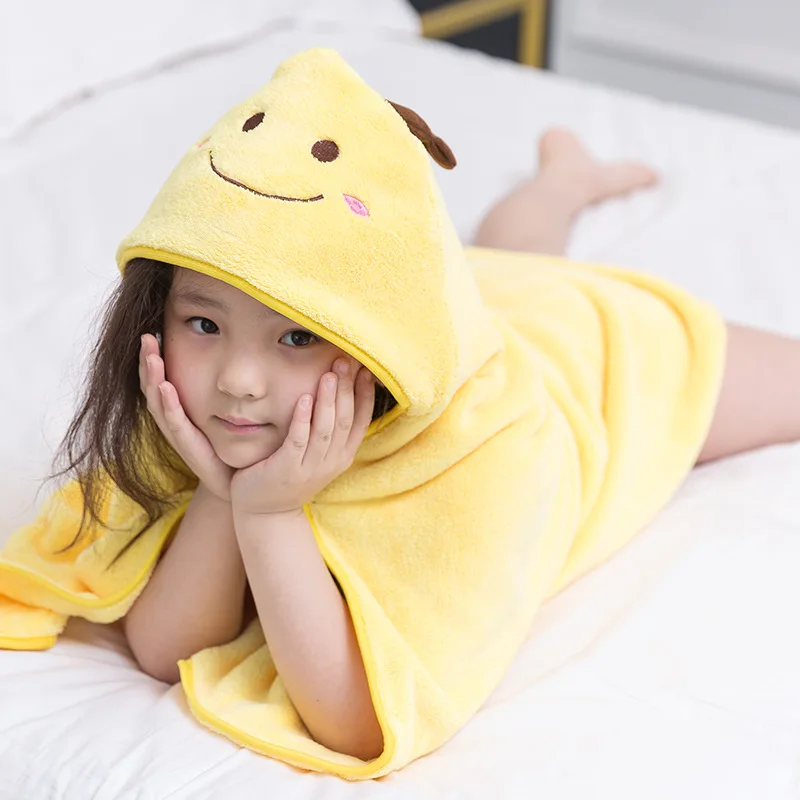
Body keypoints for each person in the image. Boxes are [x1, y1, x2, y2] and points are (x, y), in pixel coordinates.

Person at [1, 48, 798, 779]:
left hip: (584, 359)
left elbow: (355, 723)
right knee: (503, 262)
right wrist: (227, 496)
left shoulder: (484, 442)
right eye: (204, 324)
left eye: (297, 336)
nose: (238, 381)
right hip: (480, 297)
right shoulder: (187, 402)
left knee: (564, 291)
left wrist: (271, 514)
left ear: (360, 336)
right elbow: (164, 650)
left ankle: (562, 186)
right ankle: (561, 182)